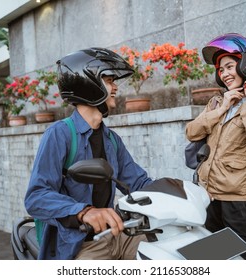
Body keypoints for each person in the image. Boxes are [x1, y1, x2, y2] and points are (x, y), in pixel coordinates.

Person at [24, 47, 153, 260]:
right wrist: (85, 212)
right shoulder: (60, 134)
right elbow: (36, 197)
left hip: (117, 233)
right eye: (110, 81)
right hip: (80, 243)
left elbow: (139, 182)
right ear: (89, 85)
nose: (115, 88)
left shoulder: (111, 139)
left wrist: (178, 190)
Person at [185, 33, 246, 259]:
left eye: (229, 66)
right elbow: (191, 132)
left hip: (238, 200)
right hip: (209, 196)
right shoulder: (217, 102)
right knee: (209, 258)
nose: (224, 74)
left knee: (239, 261)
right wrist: (221, 108)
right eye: (220, 69)